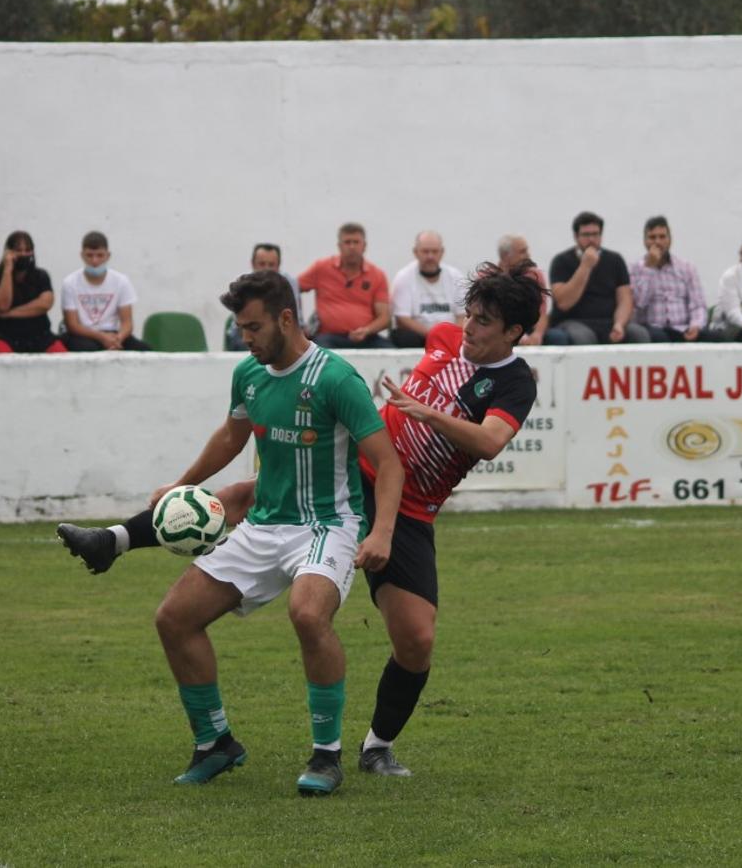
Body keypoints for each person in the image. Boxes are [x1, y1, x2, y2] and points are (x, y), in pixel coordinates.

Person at [63, 264, 543, 780]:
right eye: (469, 314)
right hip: (353, 468)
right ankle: (112, 540)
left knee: (416, 641)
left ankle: (377, 746)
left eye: (485, 321)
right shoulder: (444, 336)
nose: (468, 327)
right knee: (247, 494)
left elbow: (490, 441)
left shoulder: (515, 381)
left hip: (408, 506)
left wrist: (426, 415)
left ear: (514, 332)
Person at [57, 271, 403, 797]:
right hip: (265, 525)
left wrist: (381, 533)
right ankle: (215, 743)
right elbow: (230, 435)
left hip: (326, 524)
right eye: (241, 328)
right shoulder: (249, 373)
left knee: (308, 614)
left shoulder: (336, 379)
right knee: (174, 619)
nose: (246, 338)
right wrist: (182, 484)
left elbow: (388, 463)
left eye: (254, 327)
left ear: (286, 319)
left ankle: (326, 756)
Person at [547, 211, 648, 345]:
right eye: (586, 235)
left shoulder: (615, 260)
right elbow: (563, 303)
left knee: (639, 334)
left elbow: (625, 299)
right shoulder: (561, 261)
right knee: (583, 337)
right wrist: (585, 267)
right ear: (576, 236)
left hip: (609, 321)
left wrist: (619, 324)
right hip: (573, 321)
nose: (591, 239)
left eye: (595, 234)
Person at [299, 223, 393, 349]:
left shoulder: (377, 275)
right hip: (328, 336)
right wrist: (298, 324)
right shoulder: (321, 268)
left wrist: (366, 330)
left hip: (366, 337)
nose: (352, 247)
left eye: (356, 242)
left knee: (391, 353)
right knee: (322, 354)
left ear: (364, 246)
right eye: (347, 242)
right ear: (339, 246)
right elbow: (290, 289)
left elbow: (385, 317)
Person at [628, 216, 716, 343]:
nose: (657, 242)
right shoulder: (634, 269)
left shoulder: (686, 267)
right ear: (645, 241)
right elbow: (639, 304)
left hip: (683, 327)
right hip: (653, 327)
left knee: (715, 338)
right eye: (652, 237)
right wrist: (650, 268)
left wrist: (696, 326)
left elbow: (698, 305)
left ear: (670, 239)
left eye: (662, 237)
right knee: (660, 338)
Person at [0, 230, 67, 353]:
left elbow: (44, 304)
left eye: (27, 250)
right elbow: (2, 305)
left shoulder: (41, 276)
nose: (23, 254)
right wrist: (7, 270)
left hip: (38, 336)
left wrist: (7, 315)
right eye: (18, 250)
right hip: (0, 335)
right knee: (5, 359)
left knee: (63, 356)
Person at [60, 231, 151, 351]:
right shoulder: (70, 282)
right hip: (83, 335)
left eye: (100, 255)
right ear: (82, 255)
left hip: (113, 333)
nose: (95, 261)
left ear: (108, 256)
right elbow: (72, 325)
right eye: (89, 255)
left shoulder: (121, 281)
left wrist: (118, 339)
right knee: (89, 349)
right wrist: (102, 338)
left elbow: (127, 323)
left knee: (144, 350)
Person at [389, 230, 465, 348]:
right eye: (425, 251)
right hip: (419, 337)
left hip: (451, 338)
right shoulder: (403, 277)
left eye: (435, 251)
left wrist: (453, 337)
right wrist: (434, 336)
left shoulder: (456, 276)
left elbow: (462, 315)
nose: (430, 256)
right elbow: (402, 319)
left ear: (442, 252)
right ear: (415, 252)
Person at [495, 234, 565, 345]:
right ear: (506, 256)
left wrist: (537, 335)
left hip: (528, 326)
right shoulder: (488, 277)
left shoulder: (534, 275)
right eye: (522, 252)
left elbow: (542, 311)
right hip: (501, 327)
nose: (528, 255)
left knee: (558, 337)